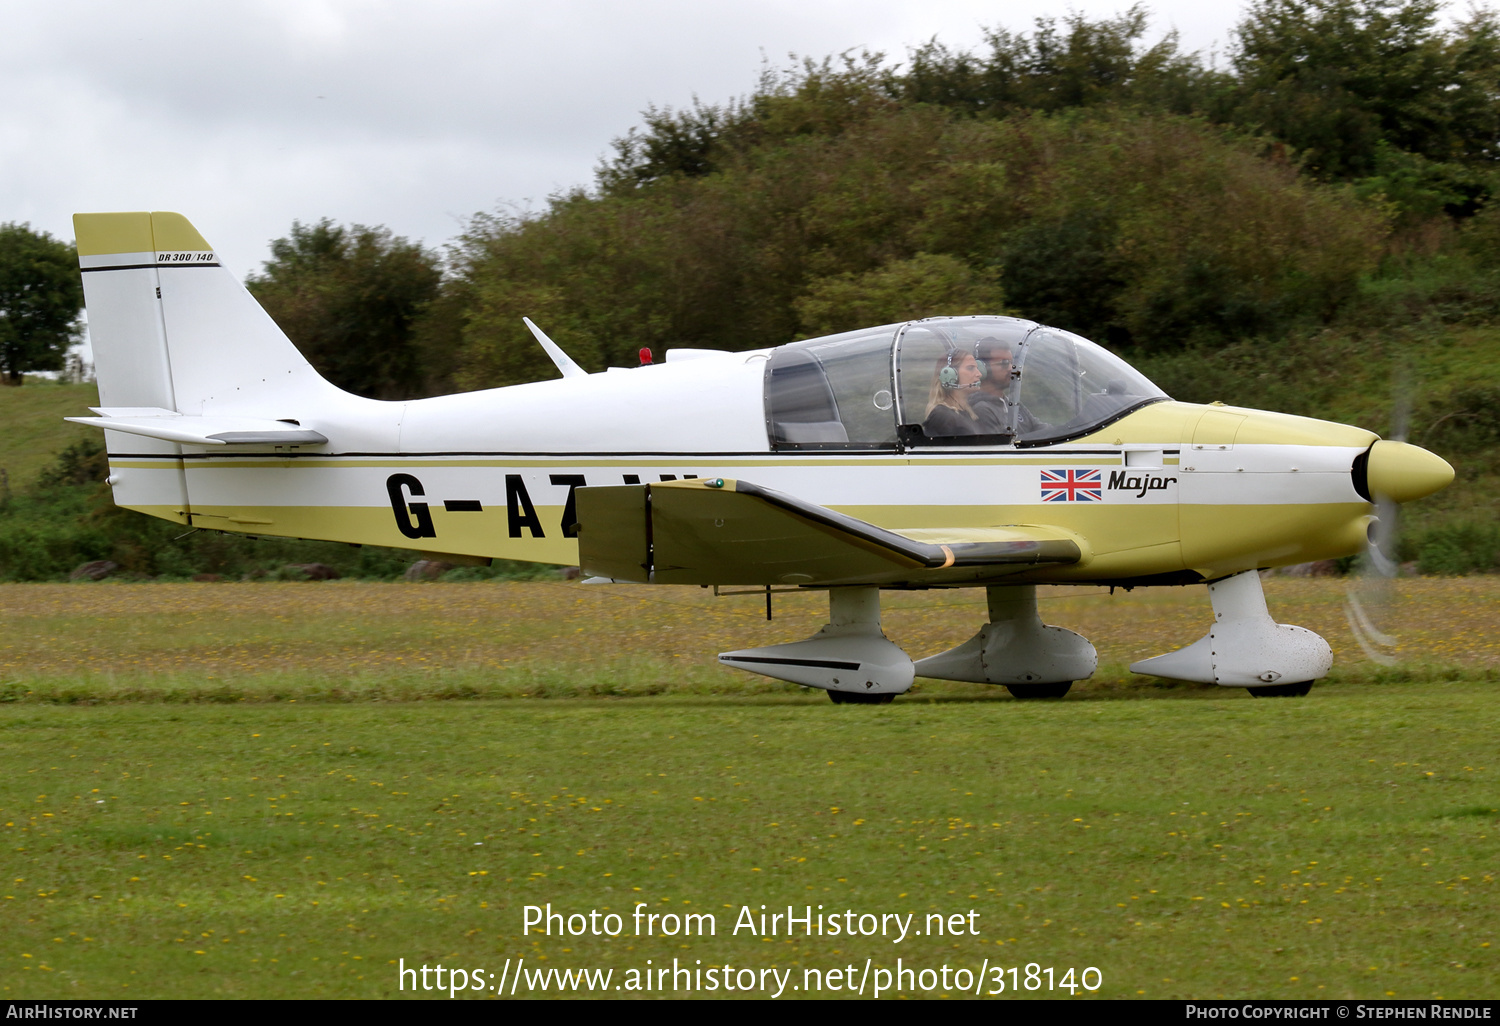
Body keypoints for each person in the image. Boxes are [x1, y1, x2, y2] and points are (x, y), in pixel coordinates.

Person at [970, 337, 1034, 437]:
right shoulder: (981, 409)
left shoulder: (1012, 403)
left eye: (1011, 363)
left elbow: (1041, 428)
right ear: (982, 368)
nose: (1010, 369)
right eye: (1004, 363)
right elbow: (1002, 447)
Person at [922, 349, 982, 439]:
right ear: (950, 375)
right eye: (970, 368)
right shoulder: (942, 416)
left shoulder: (965, 412)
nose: (979, 374)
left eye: (977, 368)